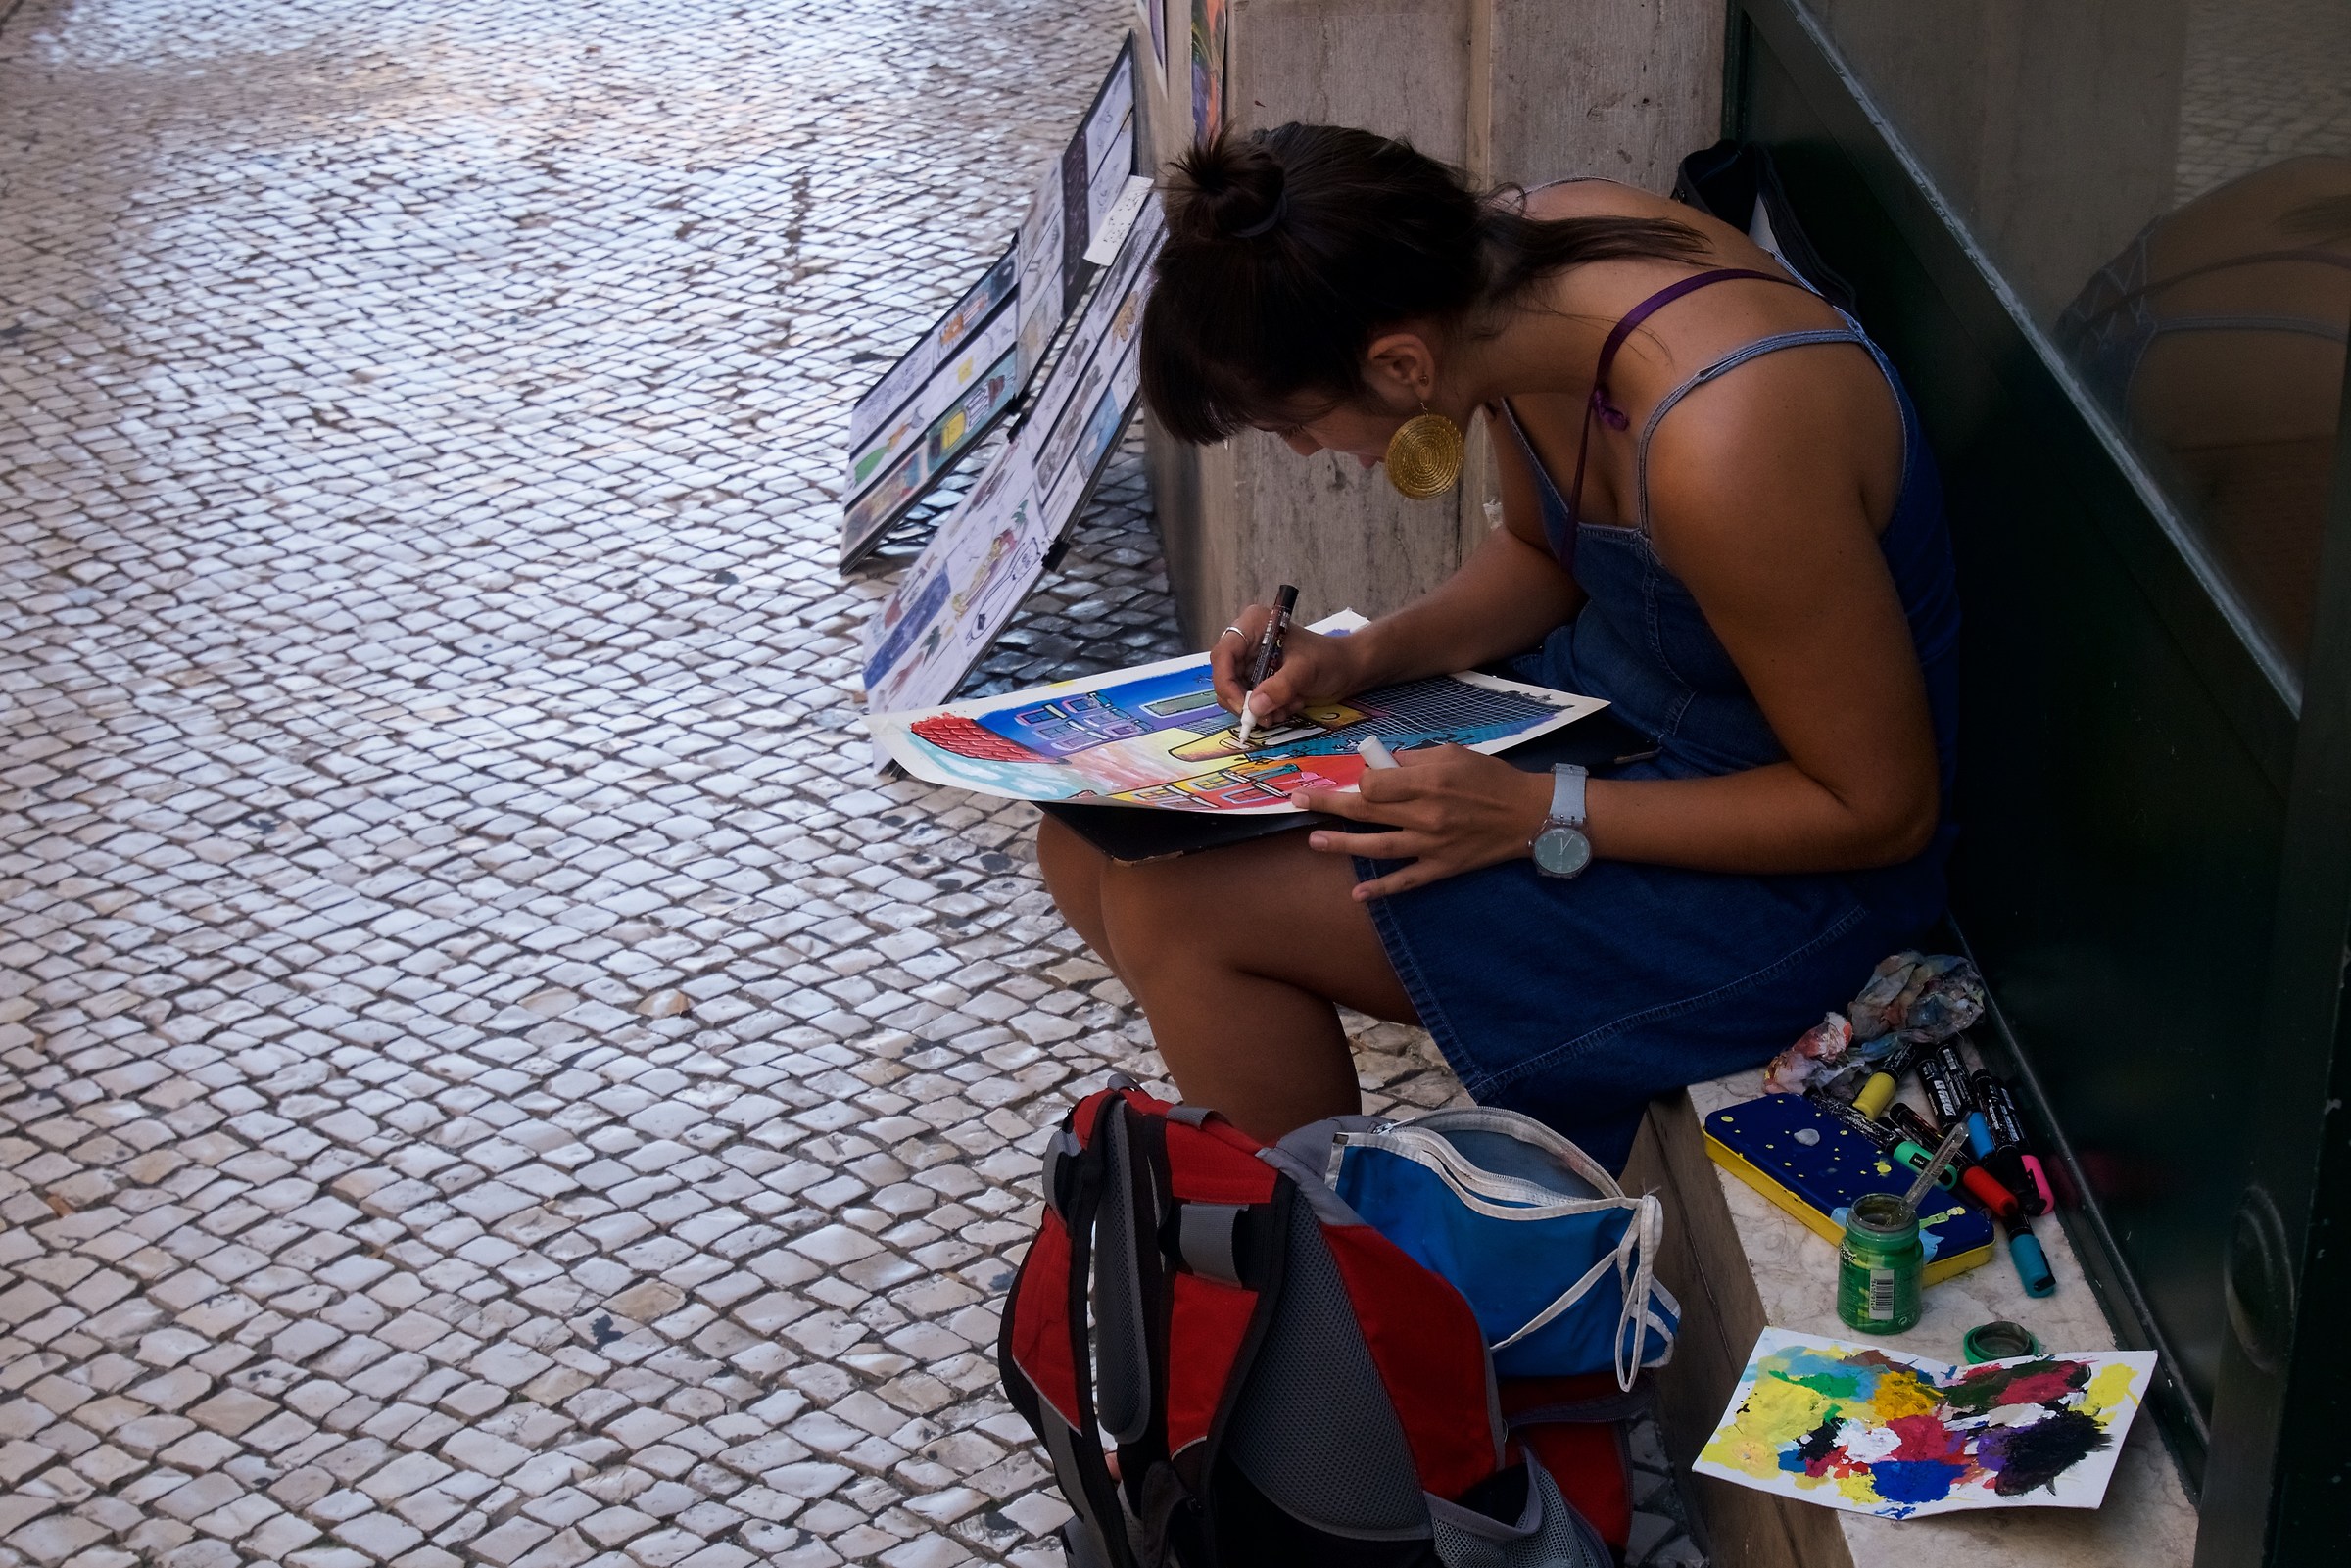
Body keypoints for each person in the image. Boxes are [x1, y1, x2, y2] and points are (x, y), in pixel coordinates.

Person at [1038, 125, 1958, 1171]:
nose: (1304, 453)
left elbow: (1881, 809)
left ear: (1399, 363)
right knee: (1087, 836)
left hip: (1784, 877)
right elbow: (1543, 553)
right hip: (1610, 727)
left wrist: (1535, 813)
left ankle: (1326, 1295)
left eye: (1297, 421)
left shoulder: (1725, 443)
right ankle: (1302, 1222)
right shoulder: (1510, 267)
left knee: (1179, 906)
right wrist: (1361, 658)